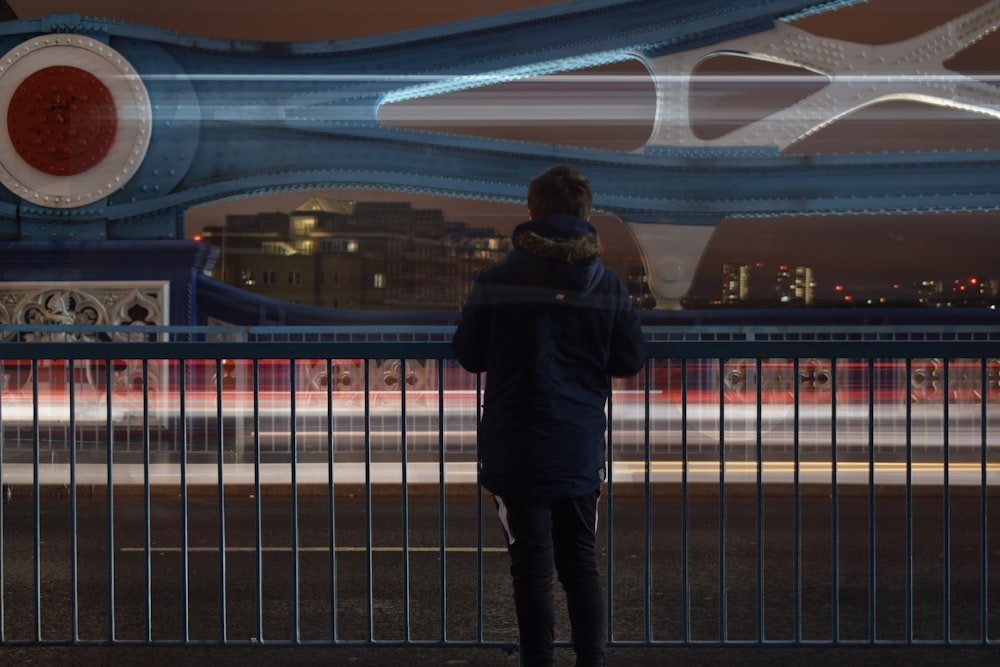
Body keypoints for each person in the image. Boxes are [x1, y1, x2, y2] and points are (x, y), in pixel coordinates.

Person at [452, 165, 646, 666]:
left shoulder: (497, 280)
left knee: (531, 569)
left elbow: (470, 355)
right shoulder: (608, 286)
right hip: (578, 442)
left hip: (514, 446)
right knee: (580, 564)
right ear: (586, 214)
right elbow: (628, 361)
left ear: (532, 213)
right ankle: (591, 662)